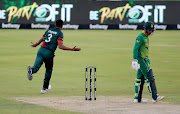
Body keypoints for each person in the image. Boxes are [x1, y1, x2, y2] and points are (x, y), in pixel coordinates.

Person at [27, 19, 81, 94]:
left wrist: (35, 45)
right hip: (48, 53)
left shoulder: (48, 30)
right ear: (62, 26)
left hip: (41, 50)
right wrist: (72, 49)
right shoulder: (59, 33)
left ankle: (31, 70)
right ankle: (44, 88)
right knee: (48, 70)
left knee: (36, 67)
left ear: (55, 25)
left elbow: (41, 39)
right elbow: (60, 46)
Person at [132, 21, 164, 103]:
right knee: (150, 77)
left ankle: (137, 99)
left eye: (152, 30)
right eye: (150, 30)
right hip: (141, 60)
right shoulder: (140, 37)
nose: (151, 32)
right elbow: (135, 49)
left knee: (139, 79)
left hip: (145, 59)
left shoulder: (146, 37)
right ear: (145, 29)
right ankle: (155, 97)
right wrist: (135, 59)